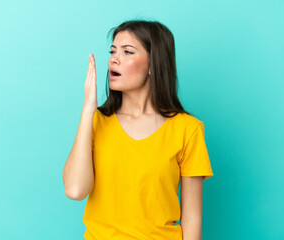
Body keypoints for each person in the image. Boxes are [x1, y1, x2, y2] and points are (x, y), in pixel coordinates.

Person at [63, 19, 214, 240]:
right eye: (113, 51)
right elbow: (75, 190)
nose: (114, 59)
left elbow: (192, 220)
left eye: (127, 52)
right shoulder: (96, 122)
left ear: (154, 65)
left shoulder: (187, 130)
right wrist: (88, 110)